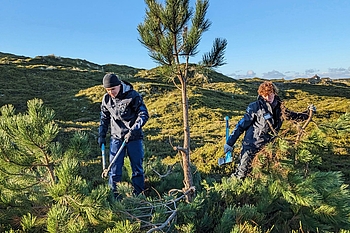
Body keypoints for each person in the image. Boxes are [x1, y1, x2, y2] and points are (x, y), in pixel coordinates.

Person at [224, 81, 316, 180]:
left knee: (264, 176)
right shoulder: (255, 107)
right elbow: (241, 126)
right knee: (242, 173)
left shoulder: (280, 108)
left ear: (274, 93)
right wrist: (229, 143)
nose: (268, 98)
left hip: (269, 147)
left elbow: (294, 116)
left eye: (270, 94)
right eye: (265, 95)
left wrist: (308, 113)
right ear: (261, 95)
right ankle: (230, 190)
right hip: (251, 145)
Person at [98, 73, 149, 198]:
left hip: (134, 137)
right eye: (108, 90)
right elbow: (104, 119)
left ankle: (139, 197)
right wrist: (102, 136)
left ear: (119, 85)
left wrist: (134, 129)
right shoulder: (106, 100)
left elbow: (143, 114)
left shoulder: (133, 96)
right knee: (114, 170)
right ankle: (114, 198)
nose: (111, 92)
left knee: (137, 169)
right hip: (116, 137)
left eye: (113, 89)